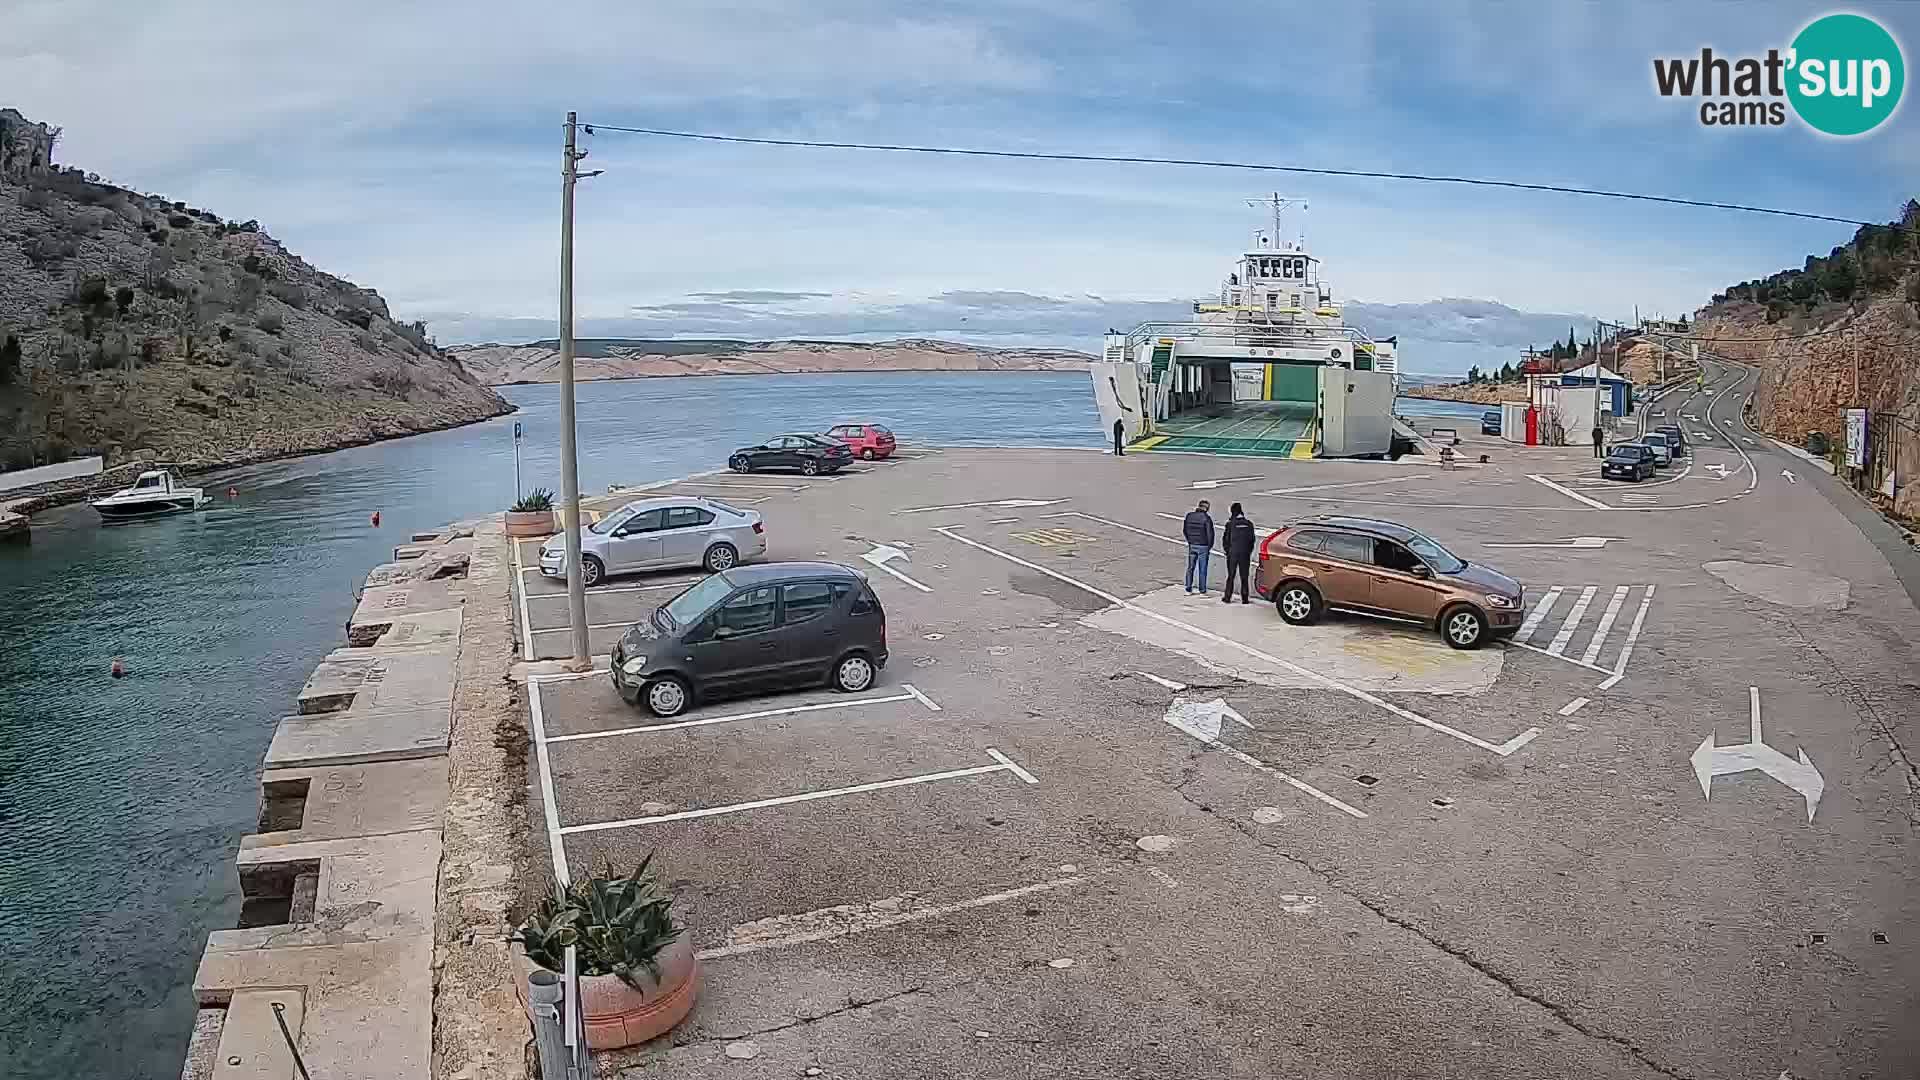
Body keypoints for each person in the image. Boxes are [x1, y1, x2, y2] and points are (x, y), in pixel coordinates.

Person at [1221, 503, 1255, 604]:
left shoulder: (1230, 524)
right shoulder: (1249, 524)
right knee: (1244, 576)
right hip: (1245, 553)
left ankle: (1227, 597)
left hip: (1233, 553)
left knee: (1231, 575)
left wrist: (1228, 551)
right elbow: (1252, 540)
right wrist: (1248, 551)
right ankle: (1245, 598)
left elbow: (1226, 540)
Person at [1182, 500, 1215, 594]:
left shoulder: (1189, 516)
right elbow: (1210, 534)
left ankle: (1188, 588)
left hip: (1192, 544)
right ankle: (1202, 590)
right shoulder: (1206, 518)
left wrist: (1190, 540)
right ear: (1206, 508)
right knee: (1202, 569)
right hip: (1203, 545)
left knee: (1190, 567)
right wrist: (1209, 546)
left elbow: (1185, 530)